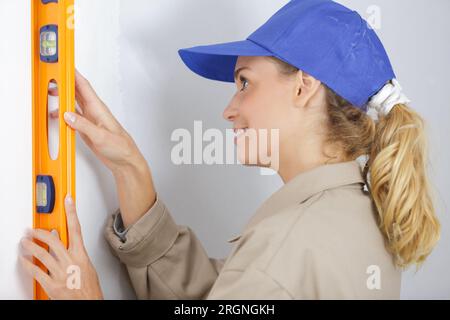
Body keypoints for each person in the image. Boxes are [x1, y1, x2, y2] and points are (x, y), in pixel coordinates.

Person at [20, 0, 440, 299]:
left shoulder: (283, 248)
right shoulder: (357, 212)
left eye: (244, 83)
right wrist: (132, 170)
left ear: (303, 85)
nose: (228, 110)